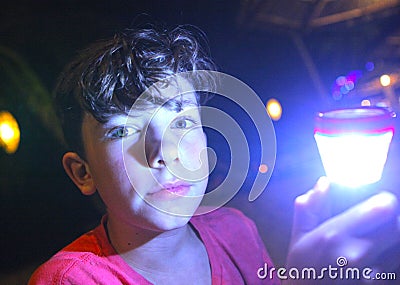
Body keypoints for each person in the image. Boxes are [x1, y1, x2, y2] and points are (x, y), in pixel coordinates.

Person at [29, 24, 400, 285]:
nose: (164, 154)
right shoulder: (69, 279)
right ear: (83, 173)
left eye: (180, 121)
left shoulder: (236, 229)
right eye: (123, 131)